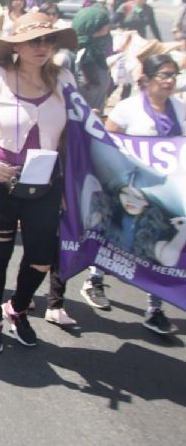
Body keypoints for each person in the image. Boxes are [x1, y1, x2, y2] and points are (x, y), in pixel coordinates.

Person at [0, 11, 77, 353]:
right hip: (1, 180)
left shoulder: (65, 80)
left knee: (42, 255)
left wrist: (68, 188)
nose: (43, 46)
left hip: (47, 183)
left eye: (49, 39)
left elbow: (74, 139)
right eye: (34, 40)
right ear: (17, 45)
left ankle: (18, 307)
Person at [79, 53, 185, 335]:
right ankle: (95, 279)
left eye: (173, 75)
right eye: (163, 75)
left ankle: (155, 307)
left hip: (164, 194)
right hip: (130, 188)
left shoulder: (180, 108)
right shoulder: (128, 109)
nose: (170, 81)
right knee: (115, 233)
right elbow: (106, 143)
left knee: (159, 244)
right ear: (146, 80)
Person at [69, 5, 114, 114]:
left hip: (95, 126)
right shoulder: (70, 59)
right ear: (90, 30)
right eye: (104, 30)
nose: (107, 34)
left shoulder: (98, 57)